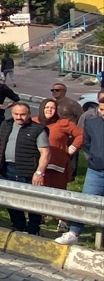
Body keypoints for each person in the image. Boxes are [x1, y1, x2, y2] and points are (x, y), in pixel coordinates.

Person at [0, 103, 49, 235]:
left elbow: (45, 152)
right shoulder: (6, 125)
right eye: (16, 114)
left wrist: (39, 172)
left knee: (31, 201)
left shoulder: (38, 129)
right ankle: (19, 225)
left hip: (27, 170)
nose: (19, 117)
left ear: (28, 115)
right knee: (10, 199)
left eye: (22, 114)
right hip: (6, 168)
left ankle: (33, 229)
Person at [57, 90, 104, 246]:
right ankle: (74, 232)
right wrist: (92, 159)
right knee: (85, 201)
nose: (103, 113)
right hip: (96, 170)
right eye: (101, 109)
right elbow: (86, 143)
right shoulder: (91, 121)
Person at [37, 98, 81, 192]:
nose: (49, 110)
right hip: (36, 164)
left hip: (56, 167)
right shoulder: (34, 121)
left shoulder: (63, 123)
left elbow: (81, 135)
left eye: (52, 108)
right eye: (47, 107)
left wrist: (71, 149)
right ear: (42, 108)